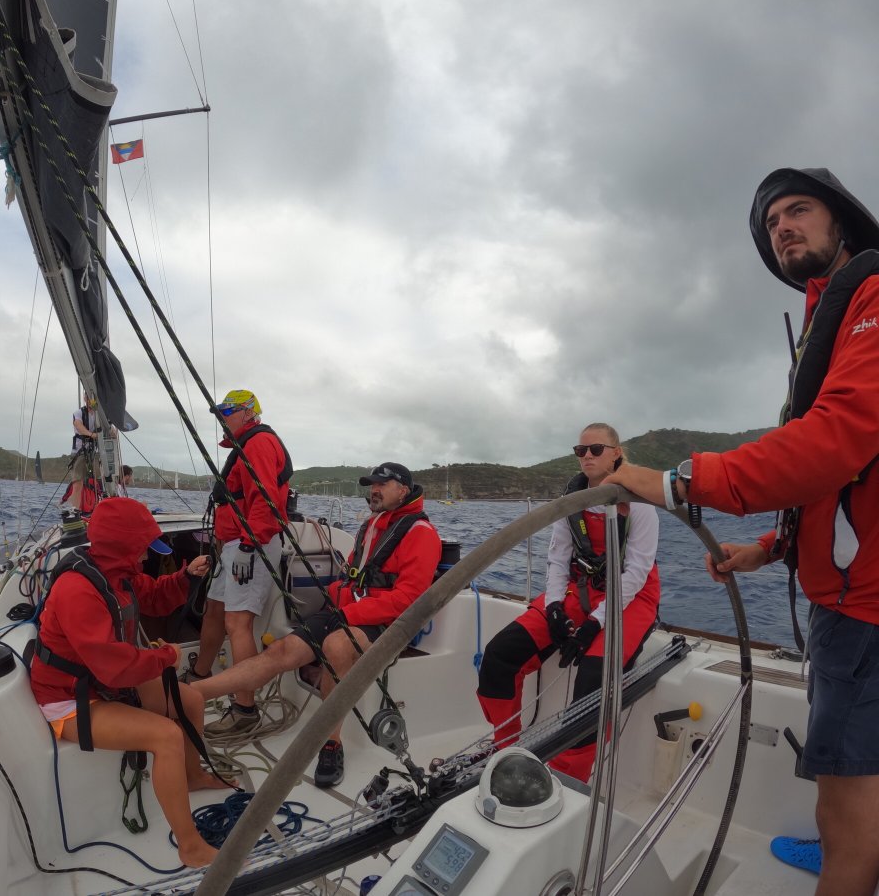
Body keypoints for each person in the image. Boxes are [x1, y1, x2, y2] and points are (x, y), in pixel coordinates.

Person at [606, 168, 879, 896]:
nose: (781, 227)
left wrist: (674, 481)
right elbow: (847, 485)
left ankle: (849, 858)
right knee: (858, 782)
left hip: (864, 613)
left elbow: (836, 442)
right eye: (770, 223)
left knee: (846, 800)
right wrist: (770, 548)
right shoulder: (833, 318)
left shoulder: (873, 300)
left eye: (798, 210)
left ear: (842, 221)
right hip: (848, 598)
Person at [192, 461, 441, 787]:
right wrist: (337, 602)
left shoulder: (421, 534)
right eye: (372, 485)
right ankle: (190, 694)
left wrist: (349, 615)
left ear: (403, 490)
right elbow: (351, 575)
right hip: (350, 611)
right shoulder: (371, 526)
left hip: (389, 624)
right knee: (282, 651)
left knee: (336, 645)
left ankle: (332, 744)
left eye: (382, 485)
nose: (374, 491)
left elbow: (409, 600)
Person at [28, 497, 227, 868]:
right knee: (166, 736)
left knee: (192, 702)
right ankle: (191, 848)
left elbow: (152, 597)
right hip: (70, 700)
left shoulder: (117, 572)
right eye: (142, 547)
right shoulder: (78, 589)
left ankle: (193, 776)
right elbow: (113, 668)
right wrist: (165, 657)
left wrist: (186, 577)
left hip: (103, 682)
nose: (145, 556)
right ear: (124, 546)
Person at [477, 423, 660, 782]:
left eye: (596, 449)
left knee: (593, 679)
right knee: (499, 655)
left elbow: (637, 572)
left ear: (616, 453)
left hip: (632, 596)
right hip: (581, 589)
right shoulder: (570, 501)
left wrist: (595, 623)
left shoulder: (639, 505)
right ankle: (505, 749)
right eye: (581, 451)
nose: (587, 456)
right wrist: (555, 608)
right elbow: (558, 560)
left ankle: (567, 777)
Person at [183, 390, 293, 735]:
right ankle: (199, 677)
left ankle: (245, 709)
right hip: (234, 544)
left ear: (248, 412)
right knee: (214, 611)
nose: (222, 417)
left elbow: (265, 497)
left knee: (238, 624)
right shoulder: (246, 444)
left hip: (250, 545)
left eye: (227, 411)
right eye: (219, 411)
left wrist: (248, 544)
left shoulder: (258, 443)